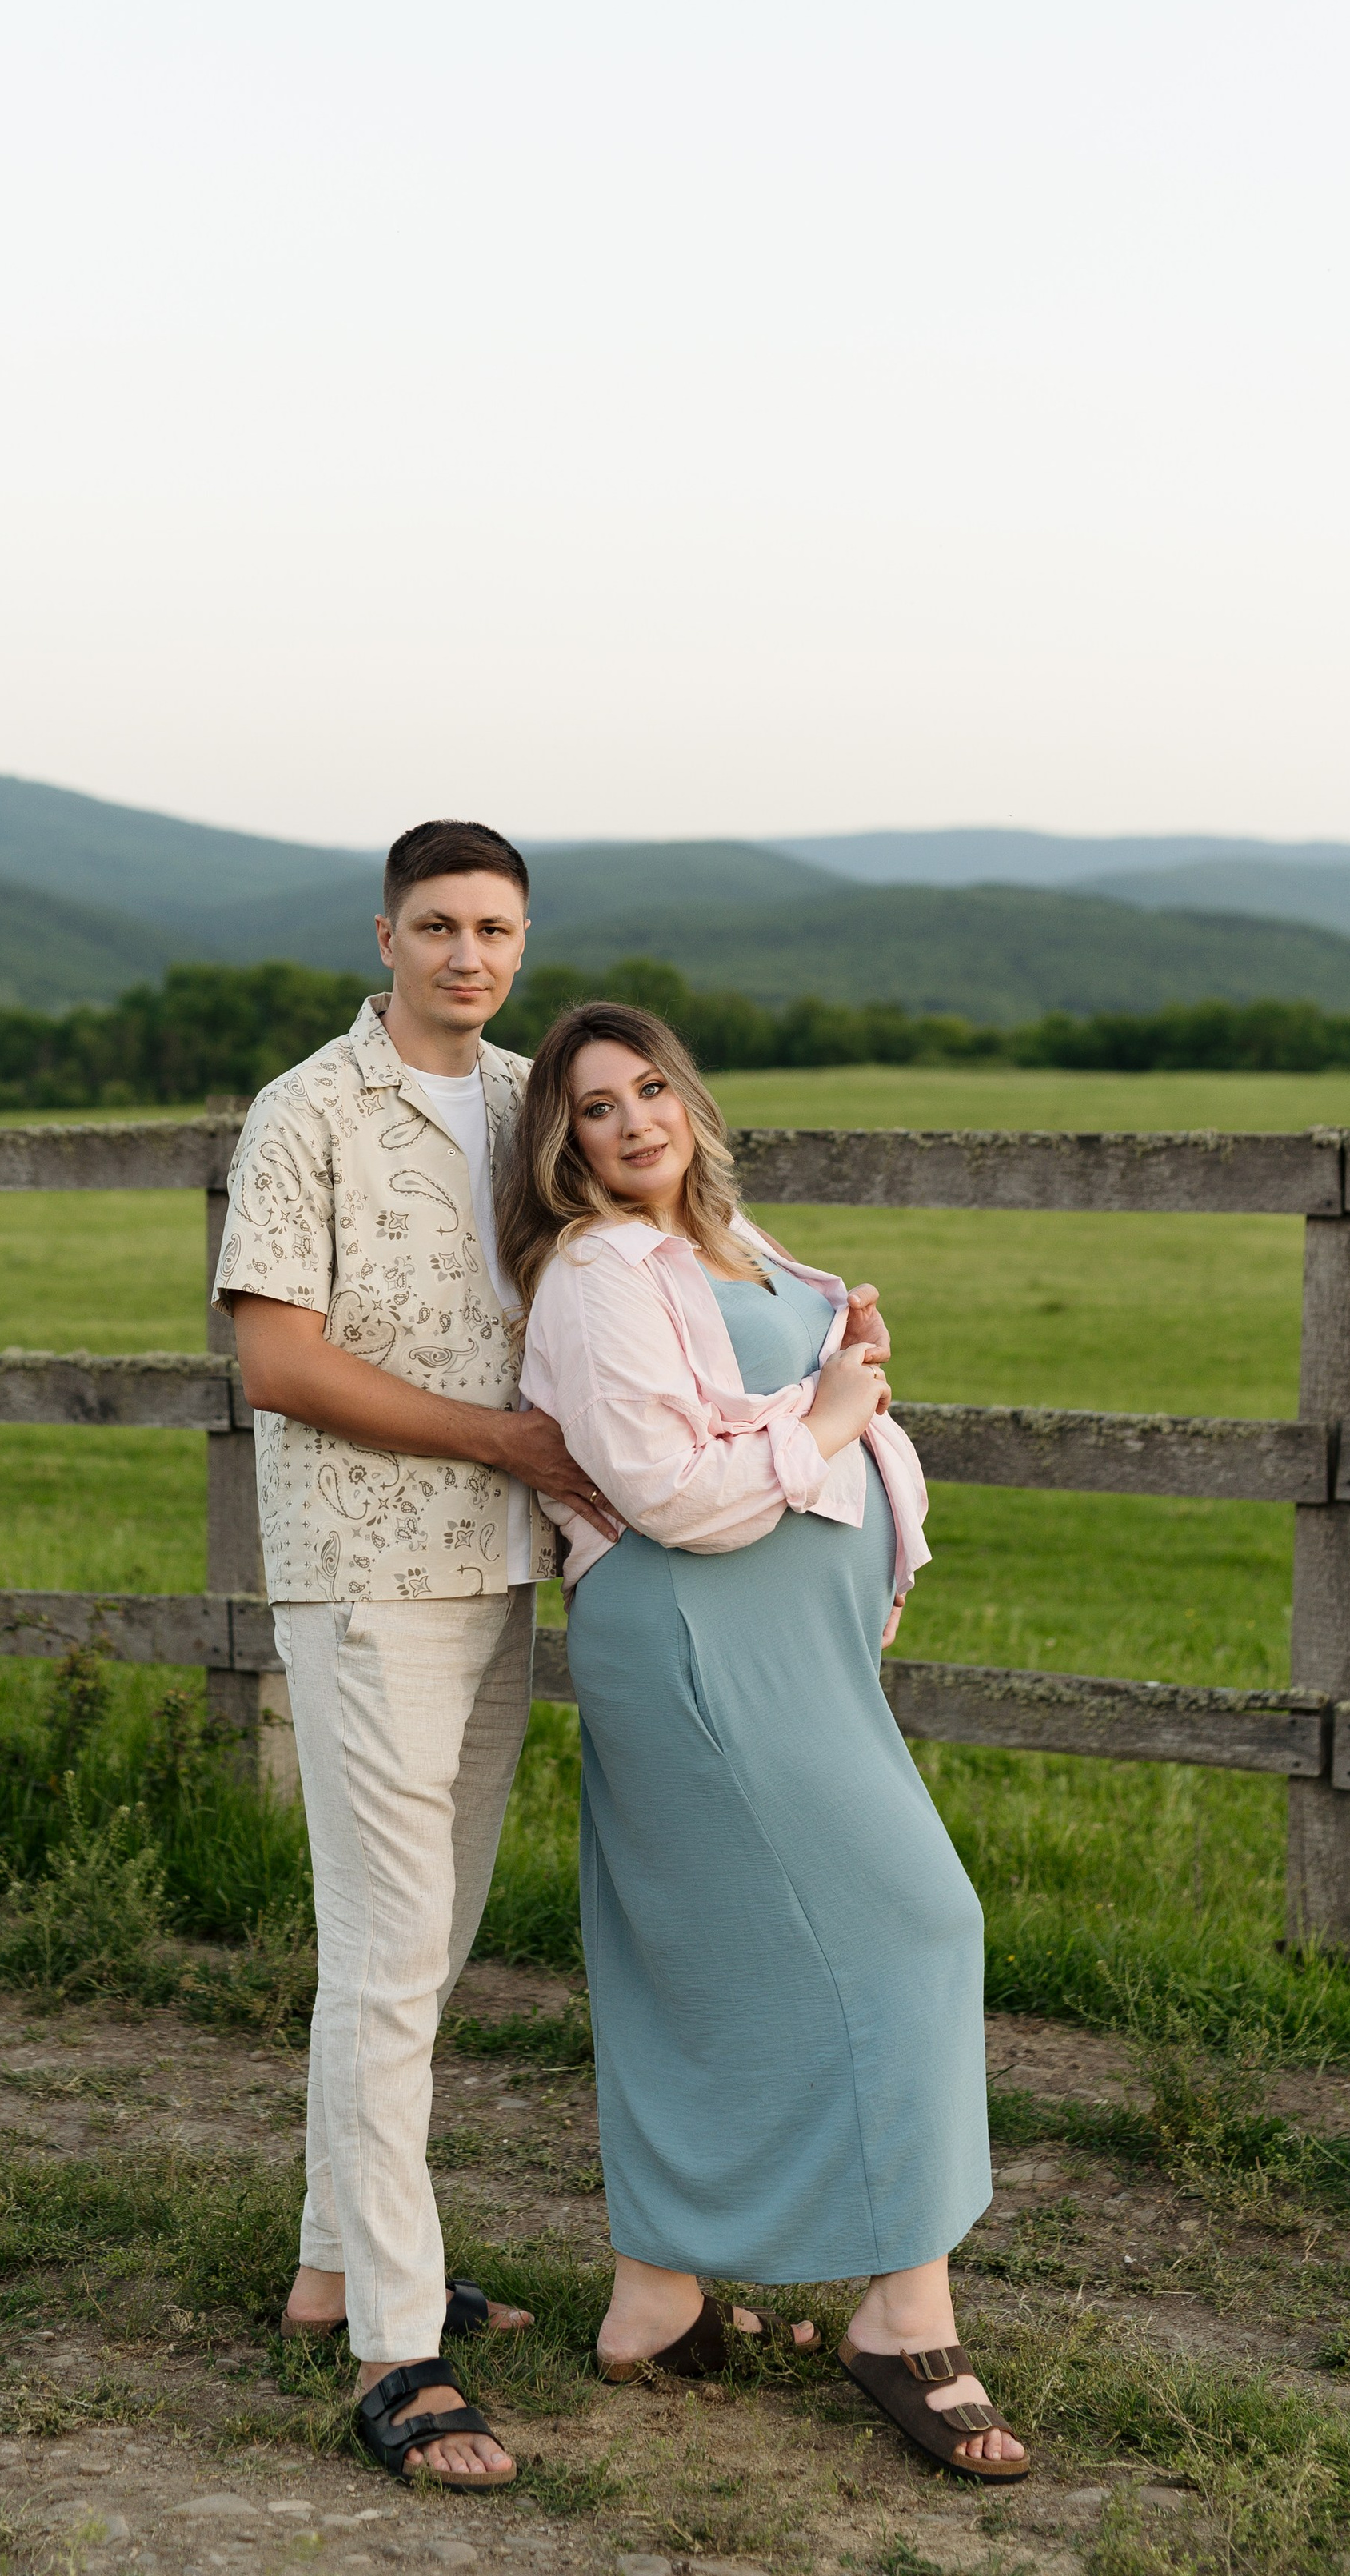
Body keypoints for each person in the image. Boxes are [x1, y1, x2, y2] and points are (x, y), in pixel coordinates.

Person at [501, 1002, 1030, 2484]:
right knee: (920, 1920)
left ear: (691, 1101)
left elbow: (801, 1413)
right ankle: (902, 2318)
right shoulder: (597, 1272)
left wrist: (847, 1371)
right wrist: (830, 1406)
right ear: (565, 1146)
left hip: (784, 1648)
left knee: (712, 1956)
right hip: (695, 1642)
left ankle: (657, 2304)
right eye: (596, 1108)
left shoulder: (740, 1239)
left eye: (651, 1088)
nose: (633, 1122)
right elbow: (670, 1491)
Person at [214, 819, 617, 2492]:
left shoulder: (540, 1104)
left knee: (425, 1947)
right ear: (380, 936)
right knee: (387, 1955)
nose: (470, 954)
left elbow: (633, 1279)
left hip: (499, 1573)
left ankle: (332, 2260)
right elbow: (278, 1363)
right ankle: (397, 2344)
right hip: (368, 1576)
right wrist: (502, 1442)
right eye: (440, 926)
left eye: (498, 929)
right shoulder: (305, 1111)